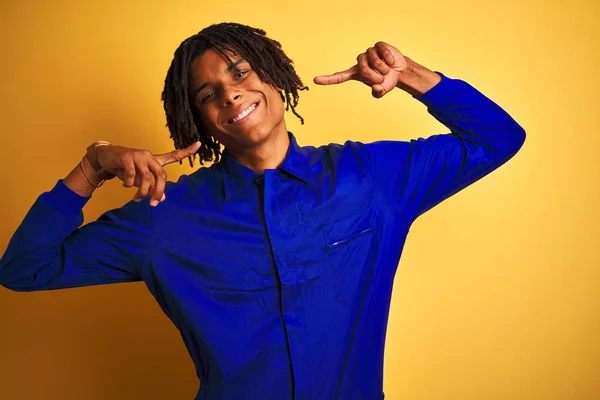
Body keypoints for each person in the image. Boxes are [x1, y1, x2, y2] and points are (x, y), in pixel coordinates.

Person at [0, 22, 525, 400]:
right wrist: (92, 167)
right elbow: (25, 269)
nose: (231, 94)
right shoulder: (162, 215)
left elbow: (499, 137)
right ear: (199, 120)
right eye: (209, 94)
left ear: (273, 77)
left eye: (241, 72)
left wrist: (412, 75)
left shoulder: (371, 178)